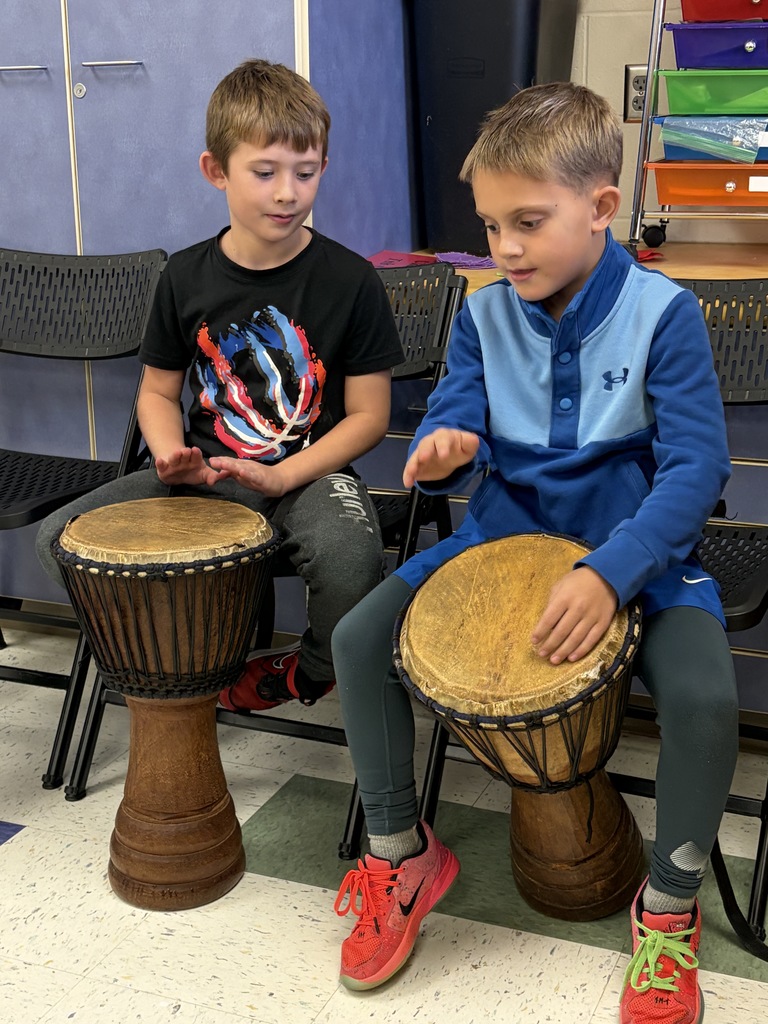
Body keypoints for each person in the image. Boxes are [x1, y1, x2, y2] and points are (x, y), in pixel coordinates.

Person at [330, 82, 737, 1024]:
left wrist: (610, 570)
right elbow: (455, 411)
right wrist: (443, 446)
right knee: (359, 639)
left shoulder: (664, 312)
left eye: (528, 221)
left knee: (708, 697)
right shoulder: (482, 310)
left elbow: (694, 467)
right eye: (489, 225)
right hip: (498, 540)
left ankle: (669, 909)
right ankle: (401, 856)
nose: (505, 247)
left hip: (633, 549)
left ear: (601, 208)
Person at [36, 58, 403, 709]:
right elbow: (156, 392)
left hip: (307, 477)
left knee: (353, 563)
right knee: (58, 542)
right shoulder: (184, 276)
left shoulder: (351, 282)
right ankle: (169, 664)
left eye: (306, 172)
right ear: (217, 171)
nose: (287, 192)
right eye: (265, 173)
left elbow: (369, 416)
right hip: (203, 478)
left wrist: (286, 476)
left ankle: (308, 672)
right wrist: (171, 454)